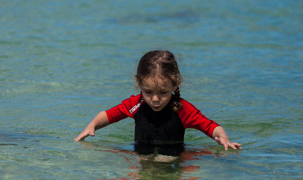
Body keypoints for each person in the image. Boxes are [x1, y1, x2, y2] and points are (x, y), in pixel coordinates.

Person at [74, 50, 242, 151]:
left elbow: (210, 125)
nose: (155, 99)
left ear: (175, 84)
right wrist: (92, 126)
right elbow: (110, 115)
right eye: (148, 92)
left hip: (174, 154)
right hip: (141, 153)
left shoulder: (182, 109)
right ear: (139, 84)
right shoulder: (135, 104)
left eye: (162, 92)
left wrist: (222, 137)